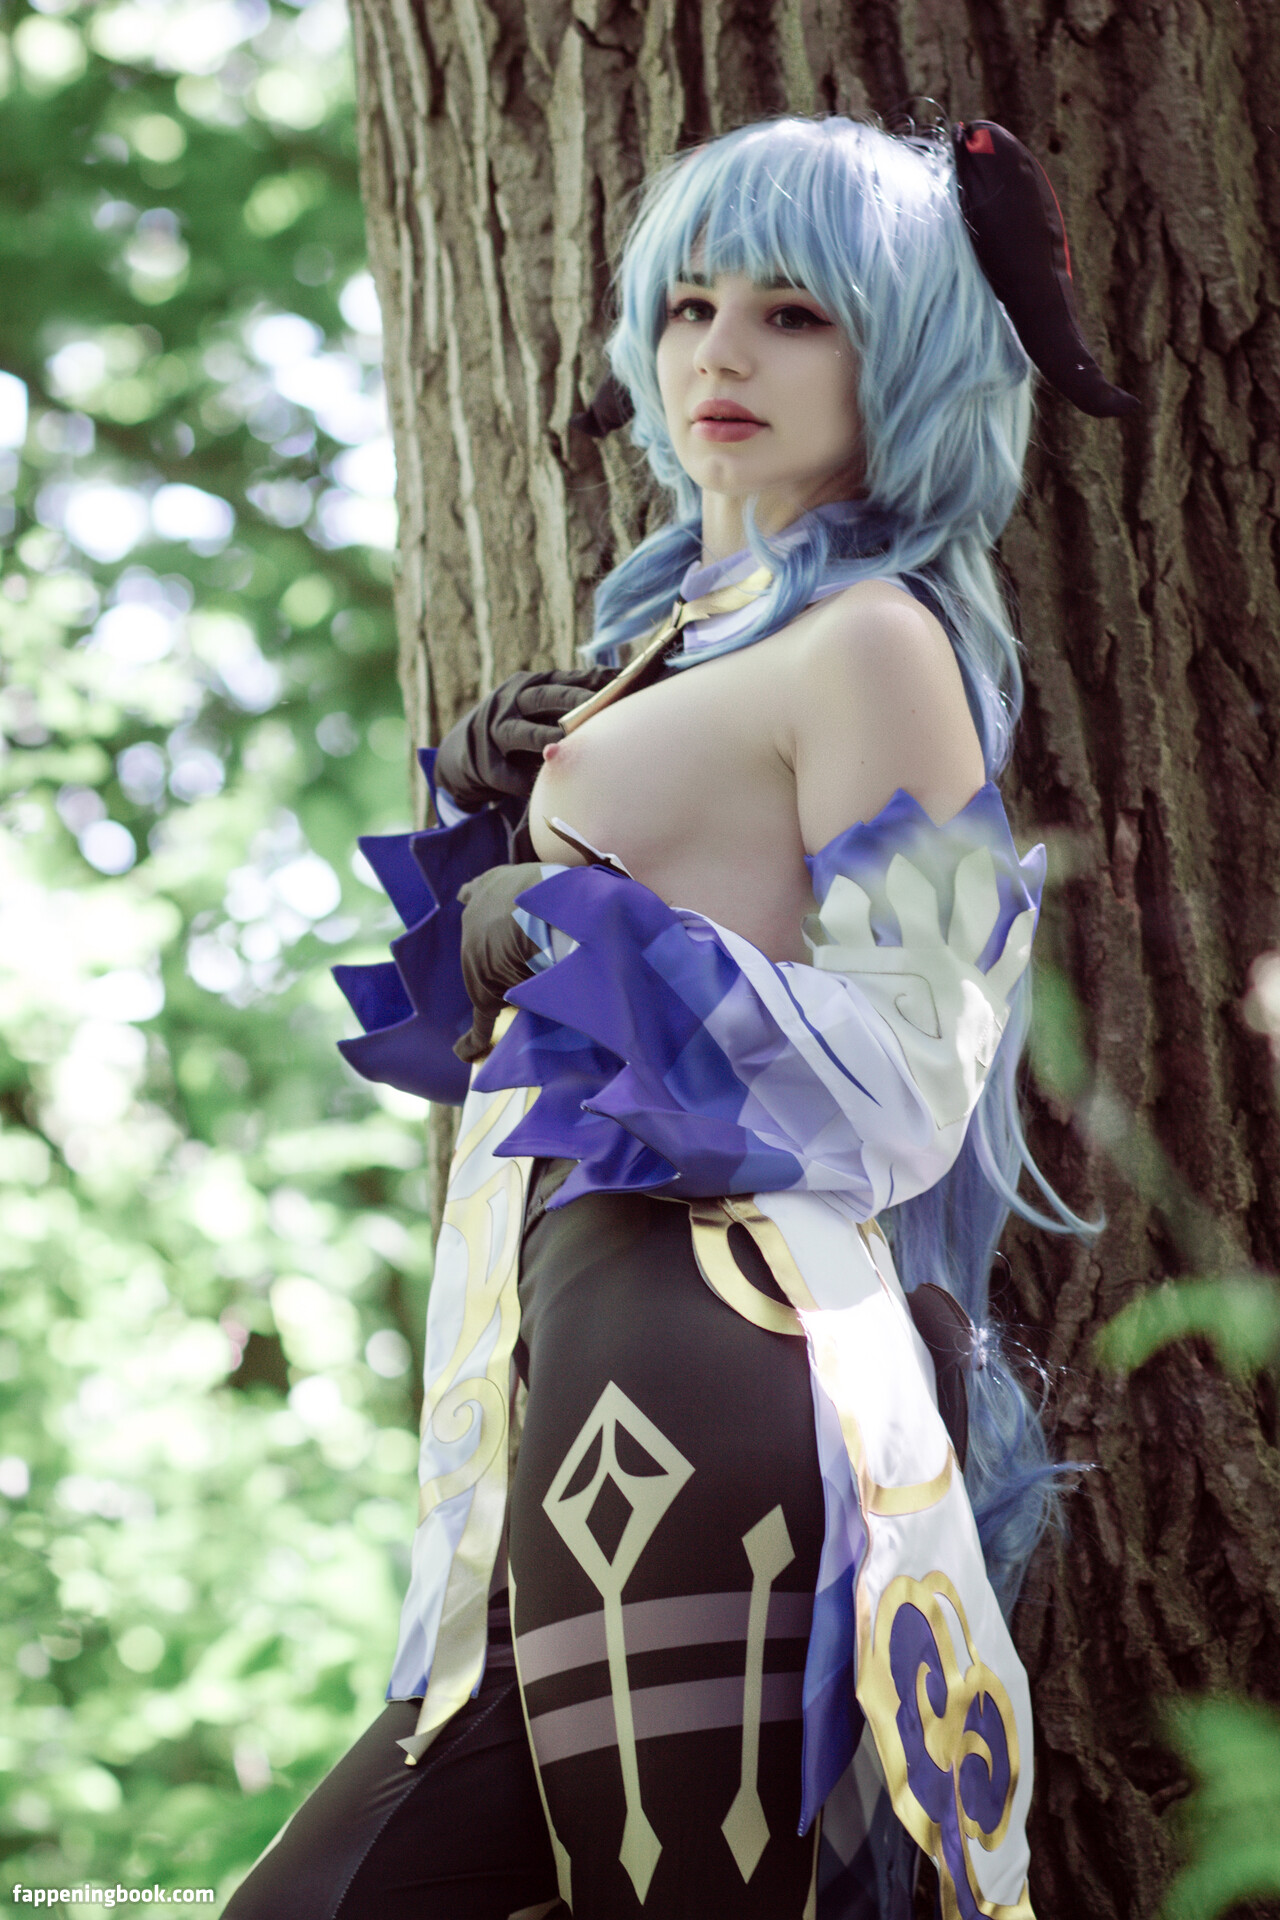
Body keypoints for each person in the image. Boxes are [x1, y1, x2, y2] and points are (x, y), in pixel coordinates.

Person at [228, 113, 1133, 1920]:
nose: (722, 352)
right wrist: (491, 831)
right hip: (559, 1358)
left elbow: (915, 1069)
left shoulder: (876, 642)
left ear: (909, 351)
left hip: (715, 1347)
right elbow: (528, 1031)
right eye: (690, 305)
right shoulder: (681, 636)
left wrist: (559, 924)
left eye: (795, 313)